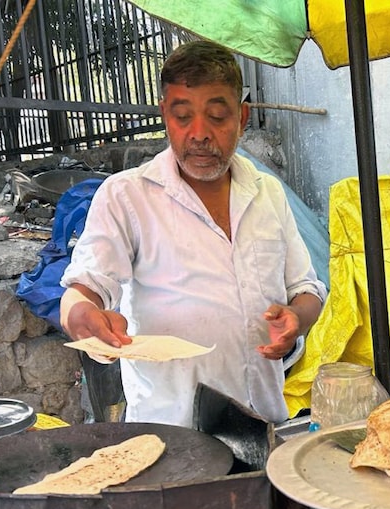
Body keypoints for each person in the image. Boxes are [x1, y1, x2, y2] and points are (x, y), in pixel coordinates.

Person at [59, 40, 327, 428]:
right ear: (165, 115)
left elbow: (306, 289)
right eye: (183, 116)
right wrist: (83, 315)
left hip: (263, 421)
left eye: (217, 116)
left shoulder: (267, 192)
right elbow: (82, 289)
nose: (199, 133)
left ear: (242, 116)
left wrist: (295, 320)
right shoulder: (127, 196)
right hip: (173, 437)